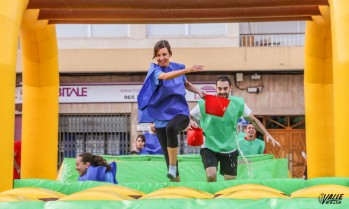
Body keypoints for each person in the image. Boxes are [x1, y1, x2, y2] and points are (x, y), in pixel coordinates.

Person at [190, 75, 280, 182]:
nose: (222, 91)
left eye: (225, 88)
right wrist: (189, 121)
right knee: (211, 175)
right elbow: (188, 116)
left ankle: (224, 198)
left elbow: (253, 120)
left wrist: (267, 134)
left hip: (230, 147)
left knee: (230, 181)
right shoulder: (206, 102)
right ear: (216, 88)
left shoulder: (238, 103)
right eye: (219, 89)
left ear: (230, 88)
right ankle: (211, 197)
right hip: (209, 145)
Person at [137, 40, 205, 181]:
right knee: (167, 157)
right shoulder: (155, 71)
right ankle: (175, 181)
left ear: (170, 54)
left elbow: (186, 84)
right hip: (161, 115)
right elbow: (166, 76)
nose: (161, 58)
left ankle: (173, 167)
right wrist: (186, 70)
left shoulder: (178, 67)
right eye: (158, 55)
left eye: (164, 54)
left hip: (180, 111)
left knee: (171, 128)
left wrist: (198, 90)